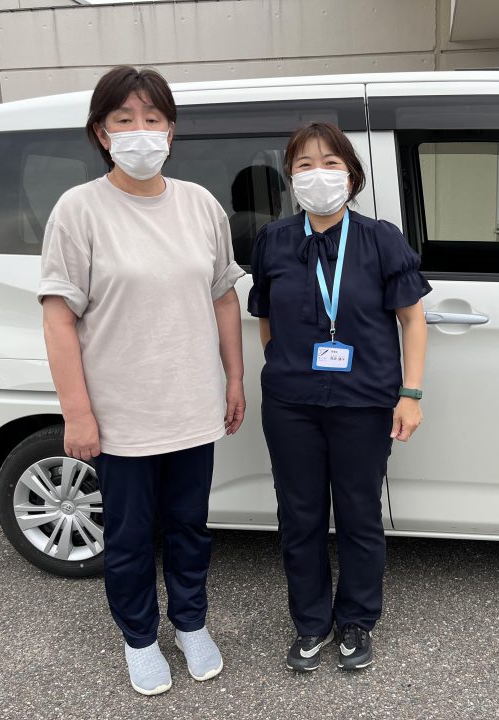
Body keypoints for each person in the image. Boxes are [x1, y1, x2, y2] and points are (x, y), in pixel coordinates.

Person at [38, 66, 245, 696]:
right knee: (129, 537)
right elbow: (58, 317)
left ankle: (191, 624)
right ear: (101, 133)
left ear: (171, 130)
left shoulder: (199, 204)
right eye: (124, 119)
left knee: (190, 527)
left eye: (152, 119)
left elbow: (223, 297)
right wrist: (77, 413)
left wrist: (235, 377)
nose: (140, 131)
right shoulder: (80, 210)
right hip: (122, 414)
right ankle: (139, 638)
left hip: (192, 405)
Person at [248, 122, 431, 672]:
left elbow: (412, 320)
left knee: (358, 514)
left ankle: (355, 620)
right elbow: (265, 317)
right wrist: (284, 365)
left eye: (330, 163)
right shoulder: (274, 240)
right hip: (291, 405)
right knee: (299, 516)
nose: (318, 174)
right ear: (290, 175)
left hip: (364, 402)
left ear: (351, 175)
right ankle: (310, 622)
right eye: (304, 164)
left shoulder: (380, 239)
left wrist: (410, 394)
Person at [228, 164, 286, 265]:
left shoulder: (229, 224)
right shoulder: (272, 226)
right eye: (279, 194)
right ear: (274, 195)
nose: (281, 201)